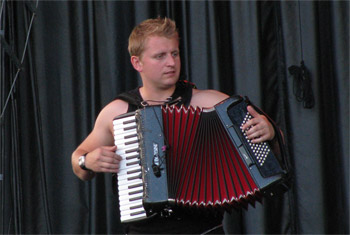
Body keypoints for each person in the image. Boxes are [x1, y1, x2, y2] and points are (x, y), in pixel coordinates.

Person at [71, 17, 277, 234]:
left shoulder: (211, 102)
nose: (171, 62)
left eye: (175, 54)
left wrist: (269, 130)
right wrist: (86, 161)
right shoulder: (118, 112)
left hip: (204, 230)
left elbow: (270, 146)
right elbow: (78, 161)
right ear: (136, 63)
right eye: (160, 56)